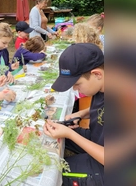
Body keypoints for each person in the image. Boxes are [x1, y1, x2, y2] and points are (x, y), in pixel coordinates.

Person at [43, 43, 104, 185]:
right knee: (56, 133)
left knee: (56, 169)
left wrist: (71, 134)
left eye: (77, 84)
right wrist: (81, 114)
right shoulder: (101, 85)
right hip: (98, 138)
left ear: (97, 74)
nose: (75, 89)